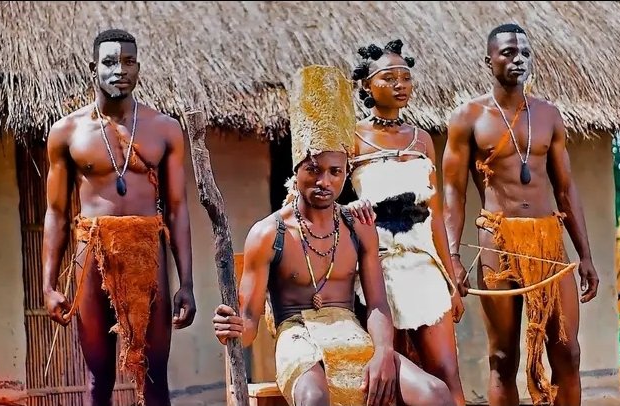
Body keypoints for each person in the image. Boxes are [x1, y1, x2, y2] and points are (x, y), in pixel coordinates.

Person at [212, 64, 454, 406]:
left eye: (335, 172)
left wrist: (383, 352)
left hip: (353, 336)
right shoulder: (269, 233)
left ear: (346, 173)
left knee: (436, 393)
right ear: (296, 170)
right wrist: (234, 327)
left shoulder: (357, 227)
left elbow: (377, 304)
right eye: (313, 170)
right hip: (298, 339)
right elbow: (249, 321)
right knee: (314, 398)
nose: (324, 181)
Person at [442, 23, 600, 406]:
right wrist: (453, 257)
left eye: (525, 53)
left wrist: (585, 256)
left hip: (548, 241)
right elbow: (453, 194)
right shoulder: (468, 117)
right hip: (497, 241)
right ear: (489, 61)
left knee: (568, 352)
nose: (519, 60)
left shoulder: (549, 115)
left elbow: (565, 189)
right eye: (509, 52)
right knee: (502, 357)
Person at [42, 29, 195, 406]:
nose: (119, 70)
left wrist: (187, 282)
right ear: (93, 68)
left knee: (155, 376)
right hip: (92, 251)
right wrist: (48, 284)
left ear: (138, 68)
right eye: (110, 62)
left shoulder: (164, 129)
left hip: (148, 252)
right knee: (99, 378)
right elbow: (56, 212)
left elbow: (177, 209)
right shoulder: (67, 132)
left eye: (128, 62)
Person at [344, 39, 465, 406]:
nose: (400, 85)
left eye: (406, 77)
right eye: (389, 78)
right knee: (389, 381)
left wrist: (451, 282)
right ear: (367, 85)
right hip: (376, 270)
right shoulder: (352, 140)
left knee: (446, 372)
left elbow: (435, 215)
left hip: (424, 267)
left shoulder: (422, 140)